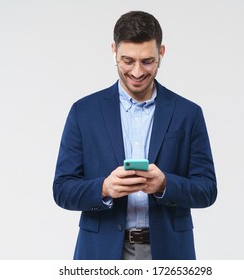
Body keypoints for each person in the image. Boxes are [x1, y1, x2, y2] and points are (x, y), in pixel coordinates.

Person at [53, 11, 217, 260]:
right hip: (101, 253)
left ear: (161, 53)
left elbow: (207, 189)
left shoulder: (188, 114)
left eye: (148, 61)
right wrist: (105, 188)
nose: (138, 72)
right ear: (113, 51)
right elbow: (62, 189)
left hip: (170, 253)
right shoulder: (84, 112)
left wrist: (165, 185)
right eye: (127, 61)